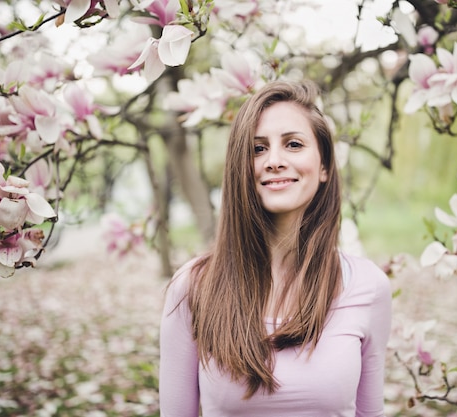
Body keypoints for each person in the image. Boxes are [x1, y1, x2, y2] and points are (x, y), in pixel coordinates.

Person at [159, 79, 392, 417]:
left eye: (294, 144)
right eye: (258, 149)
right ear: (241, 167)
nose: (274, 160)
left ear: (324, 166)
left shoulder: (368, 286)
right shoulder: (193, 288)